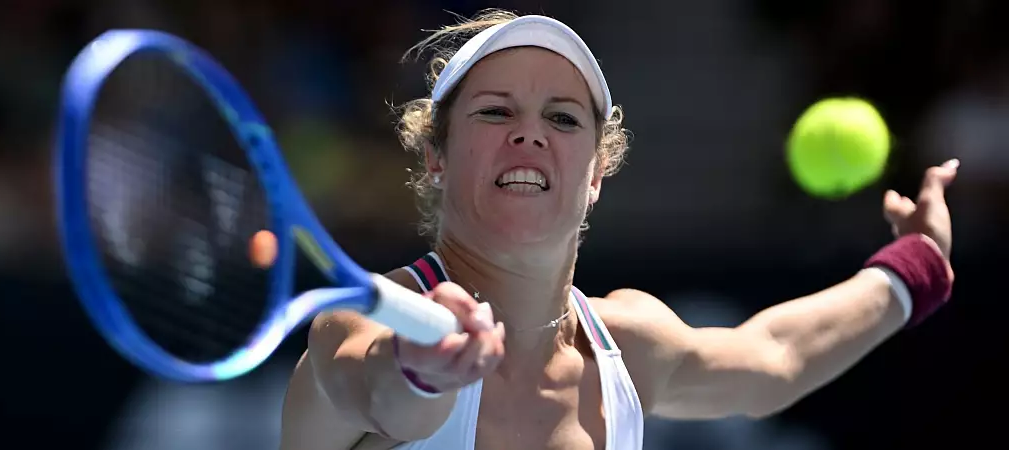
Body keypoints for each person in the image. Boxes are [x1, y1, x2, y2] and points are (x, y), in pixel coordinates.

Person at [279, 9, 959, 450]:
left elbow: (772, 357)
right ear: (436, 156)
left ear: (597, 174)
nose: (529, 133)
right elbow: (378, 389)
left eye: (564, 119)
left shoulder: (630, 342)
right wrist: (422, 369)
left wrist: (918, 263)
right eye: (494, 112)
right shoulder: (361, 326)